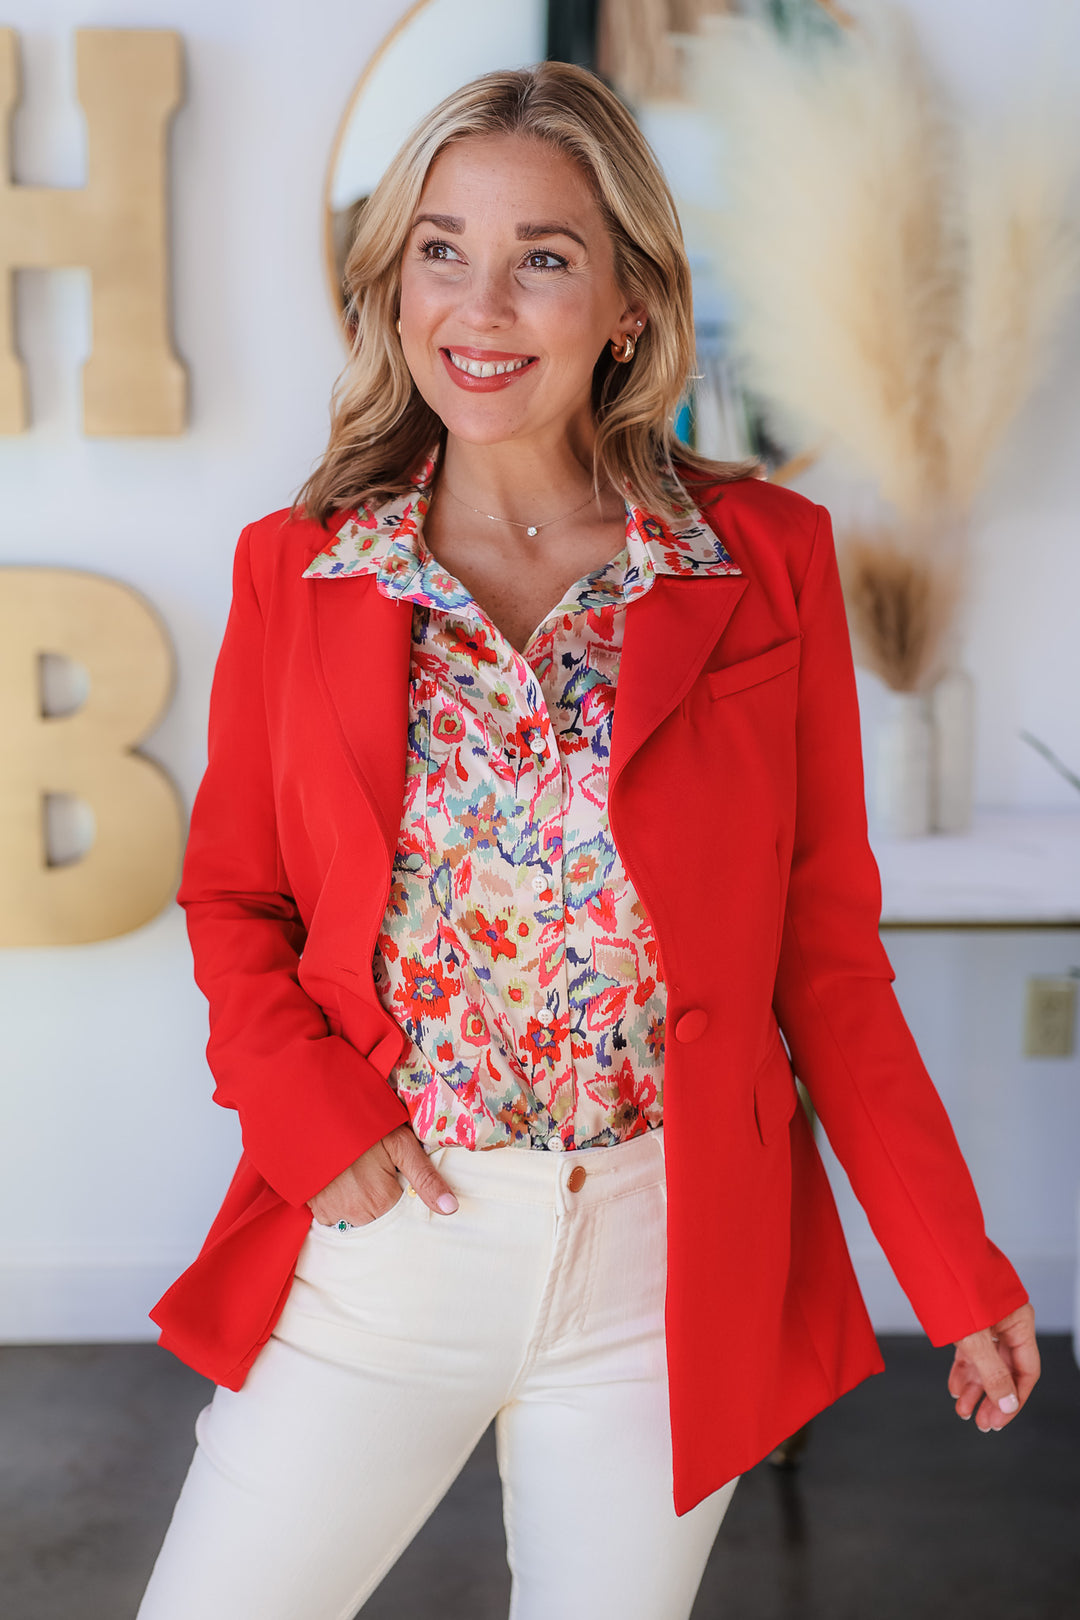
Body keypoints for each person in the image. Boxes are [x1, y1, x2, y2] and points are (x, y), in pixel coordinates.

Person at [136, 60, 1039, 1620]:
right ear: (393, 281)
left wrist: (956, 1270)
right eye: (441, 249)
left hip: (658, 1259)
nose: (479, 306)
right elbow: (234, 897)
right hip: (389, 1236)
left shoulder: (764, 561)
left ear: (627, 300)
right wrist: (314, 1122)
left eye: (542, 257)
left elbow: (823, 958)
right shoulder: (303, 569)